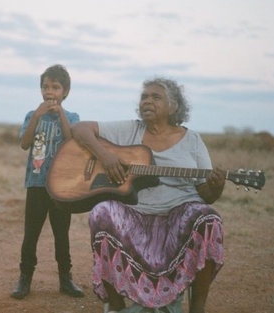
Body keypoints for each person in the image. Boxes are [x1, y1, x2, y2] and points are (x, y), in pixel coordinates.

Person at [71, 77, 225, 313]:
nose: (147, 101)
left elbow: (206, 194)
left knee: (209, 218)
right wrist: (105, 156)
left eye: (156, 97)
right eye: (144, 97)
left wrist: (216, 187)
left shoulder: (193, 140)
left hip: (178, 214)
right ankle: (115, 304)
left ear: (173, 106)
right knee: (101, 212)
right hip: (135, 212)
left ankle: (197, 308)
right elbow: (79, 129)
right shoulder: (131, 129)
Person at [11, 64, 84, 299]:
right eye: (45, 87)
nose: (49, 91)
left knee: (61, 234)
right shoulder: (32, 116)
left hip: (62, 188)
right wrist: (38, 114)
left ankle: (66, 278)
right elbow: (25, 143)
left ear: (66, 91)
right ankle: (24, 279)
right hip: (36, 184)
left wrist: (60, 113)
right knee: (30, 234)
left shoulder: (72, 117)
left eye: (55, 87)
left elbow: (71, 141)